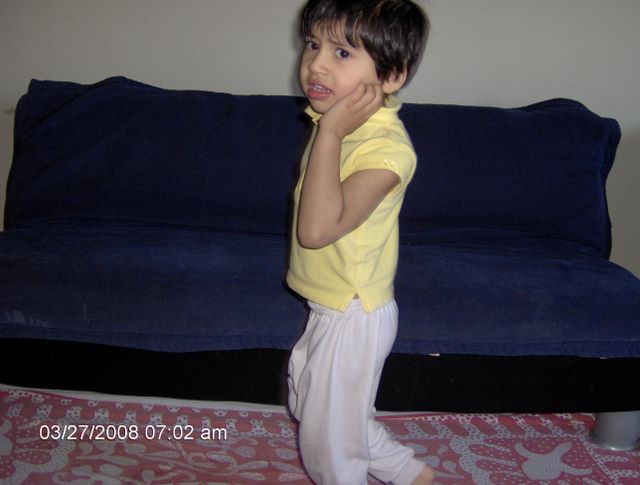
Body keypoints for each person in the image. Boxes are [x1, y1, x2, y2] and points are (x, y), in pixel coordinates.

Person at [286, 0, 434, 484]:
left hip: (353, 312)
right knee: (315, 406)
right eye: (313, 44)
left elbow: (316, 230)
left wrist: (330, 134)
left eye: (343, 53)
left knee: (327, 442)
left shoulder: (385, 149)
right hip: (330, 303)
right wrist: (330, 129)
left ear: (392, 75)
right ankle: (409, 473)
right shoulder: (336, 121)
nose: (316, 64)